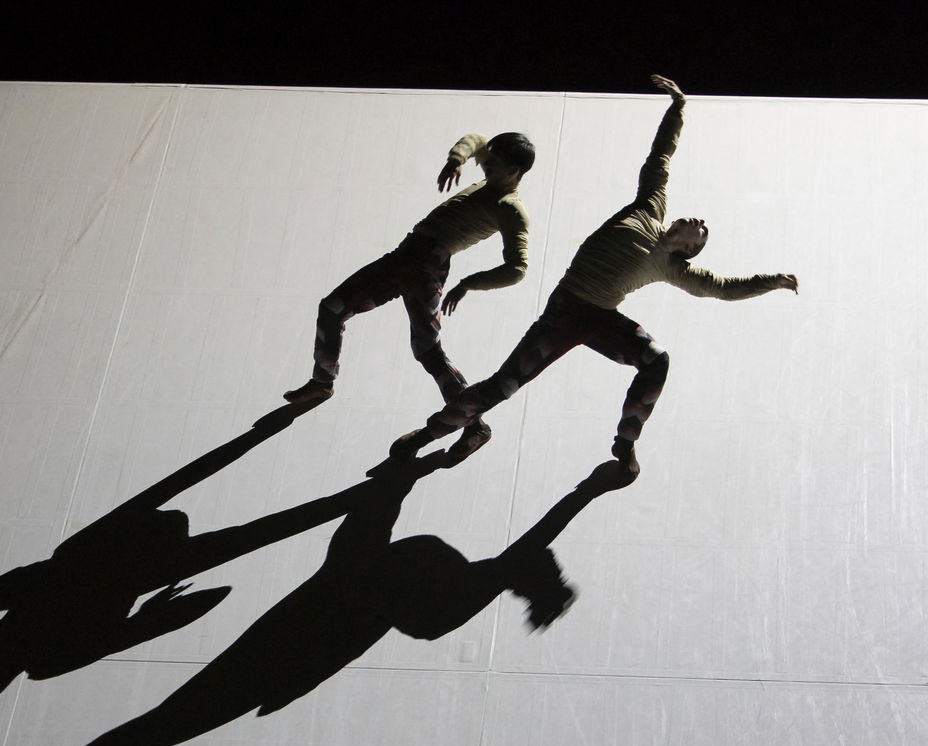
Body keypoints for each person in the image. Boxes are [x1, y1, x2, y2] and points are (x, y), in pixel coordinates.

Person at [388, 75, 798, 479]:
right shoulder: (650, 207)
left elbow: (726, 289)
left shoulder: (678, 269)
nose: (699, 220)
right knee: (504, 384)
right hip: (565, 311)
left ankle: (625, 443)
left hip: (602, 318)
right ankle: (426, 435)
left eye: (703, 230)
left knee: (657, 360)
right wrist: (678, 107)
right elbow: (661, 156)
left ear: (691, 249)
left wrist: (773, 281)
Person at [282, 130, 536, 405]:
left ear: (513, 171)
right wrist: (456, 159)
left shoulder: (510, 208)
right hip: (405, 256)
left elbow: (517, 269)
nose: (484, 165)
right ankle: (322, 382)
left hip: (426, 268)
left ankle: (470, 416)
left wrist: (469, 283)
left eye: (492, 164)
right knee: (333, 309)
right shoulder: (495, 176)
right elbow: (476, 140)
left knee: (427, 349)